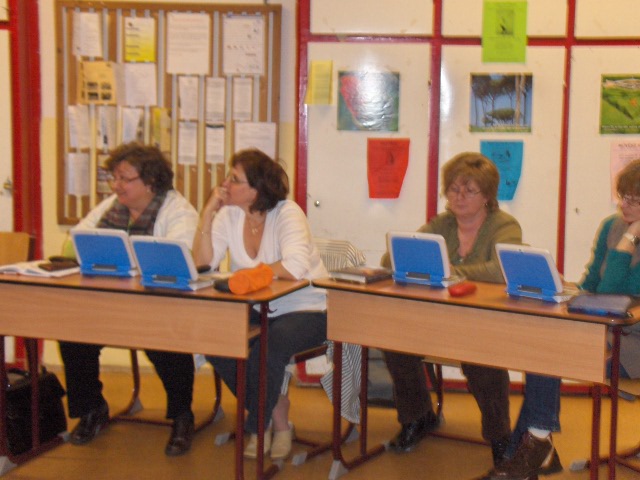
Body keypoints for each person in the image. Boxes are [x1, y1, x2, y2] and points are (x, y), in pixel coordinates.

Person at [477, 158, 640, 480]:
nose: (624, 205)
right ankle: (536, 446)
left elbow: (614, 289)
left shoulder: (625, 232)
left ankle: (531, 452)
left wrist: (630, 239)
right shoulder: (612, 226)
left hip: (633, 339)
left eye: (634, 200)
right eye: (623, 197)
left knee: (552, 354)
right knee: (545, 346)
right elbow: (593, 283)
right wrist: (567, 290)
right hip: (605, 329)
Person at [381, 152, 522, 466]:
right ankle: (418, 417)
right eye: (454, 189)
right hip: (437, 319)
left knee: (482, 361)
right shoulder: (441, 224)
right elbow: (392, 258)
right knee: (395, 342)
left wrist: (449, 271)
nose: (459, 197)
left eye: (469, 190)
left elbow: (501, 269)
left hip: (485, 322)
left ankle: (500, 436)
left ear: (487, 196)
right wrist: (419, 260)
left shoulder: (504, 225)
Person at [59, 143, 199, 456]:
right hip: (112, 303)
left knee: (166, 339)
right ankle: (92, 408)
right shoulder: (112, 206)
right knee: (73, 333)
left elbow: (178, 259)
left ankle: (182, 416)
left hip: (162, 306)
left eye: (125, 178)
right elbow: (73, 243)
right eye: (115, 178)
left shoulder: (179, 212)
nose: (116, 185)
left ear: (150, 182)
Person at [192, 148, 328, 460]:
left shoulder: (287, 212)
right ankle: (277, 416)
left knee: (269, 343)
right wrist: (208, 213)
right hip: (260, 307)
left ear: (256, 190)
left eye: (234, 179)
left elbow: (295, 266)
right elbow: (203, 264)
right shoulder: (229, 214)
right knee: (214, 337)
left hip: (308, 307)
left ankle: (257, 426)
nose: (225, 184)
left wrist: (250, 277)